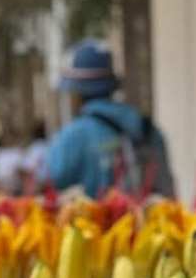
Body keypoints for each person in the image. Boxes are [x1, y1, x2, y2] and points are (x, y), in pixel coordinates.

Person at [46, 40, 176, 198]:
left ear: (77, 93)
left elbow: (49, 187)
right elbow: (168, 190)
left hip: (94, 222)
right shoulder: (147, 127)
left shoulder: (72, 136)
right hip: (154, 221)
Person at [21, 120, 48, 191]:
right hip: (51, 181)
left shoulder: (35, 148)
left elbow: (29, 167)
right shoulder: (49, 145)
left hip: (39, 182)